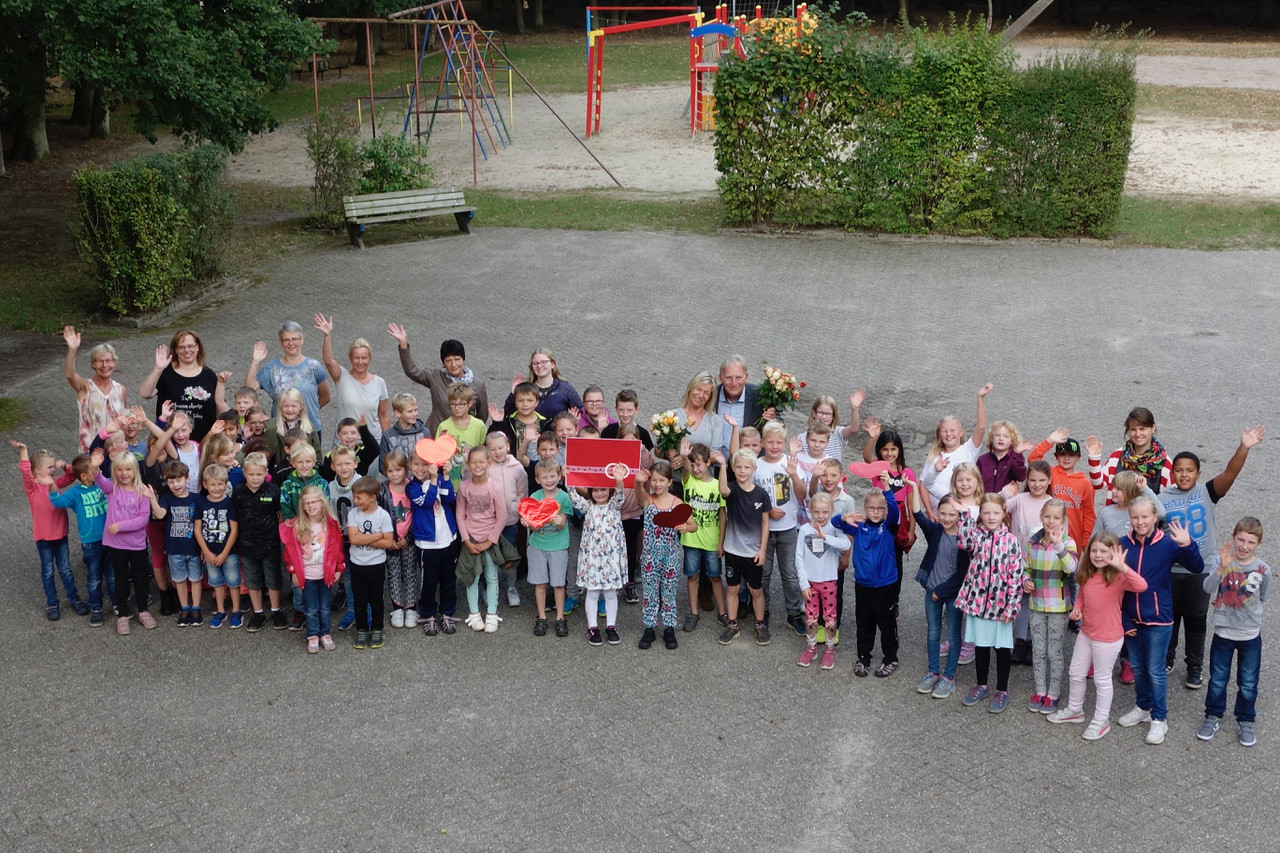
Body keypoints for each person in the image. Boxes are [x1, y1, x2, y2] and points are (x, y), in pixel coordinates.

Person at [1159, 425, 1265, 689]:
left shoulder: (1206, 493)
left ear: (1198, 473)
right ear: (1172, 473)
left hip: (1201, 569)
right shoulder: (1161, 499)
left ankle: (1194, 665)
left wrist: (1244, 447)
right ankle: (1166, 658)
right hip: (1170, 570)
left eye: (1190, 470)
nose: (1184, 474)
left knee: (1196, 618)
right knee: (1170, 617)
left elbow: (1231, 473)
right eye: (1179, 470)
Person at [1115, 496, 1203, 745]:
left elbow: (1196, 566)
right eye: (1135, 517)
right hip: (1131, 618)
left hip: (1160, 618)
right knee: (1139, 668)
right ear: (1129, 518)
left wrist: (1188, 545)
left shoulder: (1168, 543)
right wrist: (1124, 619)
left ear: (1155, 518)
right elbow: (1115, 589)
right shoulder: (1122, 545)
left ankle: (1159, 719)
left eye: (1145, 517)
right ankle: (1142, 708)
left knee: (1155, 670)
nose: (1140, 521)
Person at [1047, 532, 1148, 741]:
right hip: (1086, 633)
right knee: (1075, 673)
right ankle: (1075, 710)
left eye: (1104, 551)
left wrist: (1123, 567)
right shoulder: (1089, 573)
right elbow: (1083, 595)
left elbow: (1141, 586)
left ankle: (1101, 721)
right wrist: (1077, 609)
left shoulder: (1119, 577)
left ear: (1114, 553)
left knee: (1102, 680)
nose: (1098, 555)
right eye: (1094, 551)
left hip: (1108, 638)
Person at [1198, 518, 1269, 747]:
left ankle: (1246, 719)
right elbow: (1207, 588)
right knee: (1218, 679)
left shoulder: (1264, 569)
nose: (1244, 546)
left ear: (1259, 544)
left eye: (1251, 542)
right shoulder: (1222, 560)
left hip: (1250, 634)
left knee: (1248, 682)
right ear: (1233, 536)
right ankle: (1213, 715)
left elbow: (1263, 596)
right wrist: (1220, 569)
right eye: (1241, 539)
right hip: (1223, 633)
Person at [955, 493, 1026, 713]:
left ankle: (1002, 689)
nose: (991, 517)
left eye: (995, 512)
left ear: (1004, 513)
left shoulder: (1011, 541)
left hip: (1001, 606)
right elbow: (963, 542)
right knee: (982, 646)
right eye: (986, 512)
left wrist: (1012, 605)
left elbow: (1016, 575)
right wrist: (965, 515)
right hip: (978, 603)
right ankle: (981, 685)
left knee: (1002, 649)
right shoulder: (976, 535)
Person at [834, 479, 901, 677]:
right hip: (863, 583)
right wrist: (844, 518)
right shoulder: (858, 526)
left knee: (886, 622)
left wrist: (888, 489)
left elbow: (895, 513)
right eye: (871, 508)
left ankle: (891, 658)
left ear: (885, 510)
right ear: (865, 508)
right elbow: (833, 523)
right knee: (864, 622)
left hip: (886, 584)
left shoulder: (889, 525)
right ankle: (863, 657)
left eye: (880, 508)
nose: (875, 511)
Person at [908, 481, 968, 699]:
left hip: (951, 593)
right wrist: (914, 488)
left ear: (959, 515)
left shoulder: (965, 538)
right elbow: (917, 513)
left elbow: (962, 574)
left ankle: (949, 677)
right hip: (931, 590)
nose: (946, 518)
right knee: (933, 632)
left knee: (953, 634)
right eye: (942, 513)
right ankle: (933, 671)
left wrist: (940, 591)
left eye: (951, 514)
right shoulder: (935, 531)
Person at [748, 420, 807, 635]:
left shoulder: (791, 462)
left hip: (788, 529)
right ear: (762, 442)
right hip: (763, 529)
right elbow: (749, 495)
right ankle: (763, 612)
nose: (774, 446)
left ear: (784, 443)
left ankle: (793, 613)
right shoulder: (756, 464)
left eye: (779, 442)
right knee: (763, 573)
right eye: (770, 441)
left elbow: (801, 496)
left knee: (790, 573)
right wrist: (768, 510)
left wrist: (792, 474)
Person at [13, 441, 82, 620]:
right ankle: (52, 602)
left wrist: (65, 465)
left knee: (66, 569)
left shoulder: (55, 483)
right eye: (50, 467)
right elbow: (25, 473)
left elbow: (72, 475)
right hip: (43, 538)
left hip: (61, 534)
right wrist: (24, 451)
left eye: (53, 466)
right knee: (48, 571)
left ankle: (74, 598)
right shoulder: (32, 488)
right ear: (37, 471)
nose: (53, 470)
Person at [1022, 499, 1079, 714]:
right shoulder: (1032, 542)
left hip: (1058, 608)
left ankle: (1053, 693)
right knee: (1038, 650)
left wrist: (1058, 546)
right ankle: (1040, 690)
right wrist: (1025, 581)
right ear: (1041, 517)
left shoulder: (1068, 543)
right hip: (1036, 605)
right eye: (1047, 517)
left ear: (1063, 520)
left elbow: (1071, 568)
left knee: (1053, 651)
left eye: (1056, 518)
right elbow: (1026, 568)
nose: (1051, 521)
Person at [92, 449, 156, 635]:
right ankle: (123, 614)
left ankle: (143, 610)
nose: (124, 474)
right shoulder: (112, 488)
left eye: (128, 469)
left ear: (135, 470)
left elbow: (143, 519)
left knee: (141, 579)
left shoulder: (142, 491)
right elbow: (98, 478)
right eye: (119, 470)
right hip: (116, 545)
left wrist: (120, 525)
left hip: (137, 545)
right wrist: (95, 466)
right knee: (120, 580)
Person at [634, 461, 697, 650]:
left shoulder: (677, 503)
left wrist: (686, 528)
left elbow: (693, 525)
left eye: (661, 480)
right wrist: (639, 482)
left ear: (670, 481)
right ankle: (650, 627)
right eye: (653, 480)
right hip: (649, 556)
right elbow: (639, 494)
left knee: (669, 591)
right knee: (650, 592)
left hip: (669, 555)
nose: (657, 484)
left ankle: (669, 626)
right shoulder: (648, 500)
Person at [456, 447, 518, 634]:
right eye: (473, 462)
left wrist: (489, 541)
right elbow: (460, 516)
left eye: (481, 461)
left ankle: (492, 614)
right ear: (468, 465)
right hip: (471, 540)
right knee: (471, 577)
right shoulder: (464, 487)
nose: (477, 466)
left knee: (491, 576)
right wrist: (466, 540)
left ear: (488, 463)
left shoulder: (495, 487)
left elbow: (502, 516)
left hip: (489, 539)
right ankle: (474, 614)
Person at [715, 448, 771, 645]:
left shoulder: (762, 494)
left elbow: (766, 523)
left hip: (753, 553)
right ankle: (732, 625)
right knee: (732, 589)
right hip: (732, 551)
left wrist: (763, 549)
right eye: (738, 467)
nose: (742, 470)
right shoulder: (731, 489)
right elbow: (722, 491)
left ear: (754, 469)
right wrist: (722, 465)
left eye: (746, 467)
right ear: (733, 468)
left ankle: (759, 624)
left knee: (756, 590)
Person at [386, 326, 488, 434]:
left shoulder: (478, 385)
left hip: (465, 439)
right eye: (448, 360)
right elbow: (412, 371)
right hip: (436, 436)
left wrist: (471, 432)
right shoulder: (436, 378)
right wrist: (403, 343)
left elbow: (482, 415)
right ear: (443, 363)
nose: (453, 364)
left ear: (464, 360)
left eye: (457, 359)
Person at [50, 453, 113, 626]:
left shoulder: (104, 483)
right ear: (84, 476)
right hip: (91, 542)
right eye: (95, 469)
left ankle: (117, 603)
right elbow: (58, 502)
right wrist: (52, 488)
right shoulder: (75, 493)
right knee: (94, 577)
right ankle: (96, 607)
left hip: (111, 538)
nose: (98, 471)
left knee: (113, 575)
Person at [280, 485, 344, 653]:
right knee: (311, 608)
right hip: (307, 575)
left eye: (314, 502)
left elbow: (338, 549)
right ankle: (313, 635)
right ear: (302, 505)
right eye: (307, 503)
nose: (311, 506)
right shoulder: (297, 526)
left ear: (322, 502)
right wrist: (293, 571)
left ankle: (325, 633)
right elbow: (290, 553)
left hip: (326, 574)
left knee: (324, 606)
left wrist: (339, 568)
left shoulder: (331, 524)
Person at [570, 464, 629, 646]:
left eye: (603, 490)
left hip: (610, 559)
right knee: (592, 593)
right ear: (590, 492)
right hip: (593, 560)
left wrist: (618, 481)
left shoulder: (613, 507)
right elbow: (573, 496)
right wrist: (568, 478)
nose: (599, 494)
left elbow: (620, 495)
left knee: (611, 593)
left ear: (609, 491)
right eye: (595, 490)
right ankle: (593, 627)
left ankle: (611, 626)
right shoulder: (587, 507)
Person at [140, 330, 230, 442]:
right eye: (181, 347)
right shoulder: (166, 373)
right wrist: (158, 369)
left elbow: (220, 407)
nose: (187, 350)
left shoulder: (209, 375)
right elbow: (145, 393)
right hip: (172, 442)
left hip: (204, 442)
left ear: (198, 347)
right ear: (176, 350)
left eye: (191, 346)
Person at [795, 493, 852, 670]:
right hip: (810, 583)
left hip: (829, 581)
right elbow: (799, 558)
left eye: (825, 512)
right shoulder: (804, 530)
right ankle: (811, 648)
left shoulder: (835, 529)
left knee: (830, 617)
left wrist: (825, 537)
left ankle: (829, 650)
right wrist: (803, 584)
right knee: (811, 618)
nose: (821, 516)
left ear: (831, 511)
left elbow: (846, 545)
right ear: (810, 511)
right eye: (817, 512)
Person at [245, 322, 330, 441]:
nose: (291, 343)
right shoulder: (271, 368)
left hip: (309, 430)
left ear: (302, 340)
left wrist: (308, 411)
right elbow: (247, 391)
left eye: (295, 339)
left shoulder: (313, 366)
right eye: (286, 340)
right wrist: (255, 362)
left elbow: (325, 397)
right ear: (280, 342)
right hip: (281, 432)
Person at [314, 314, 389, 443]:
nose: (360, 362)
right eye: (356, 358)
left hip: (372, 443)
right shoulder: (342, 376)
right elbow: (328, 360)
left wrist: (388, 443)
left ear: (369, 358)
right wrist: (327, 336)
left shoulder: (379, 383)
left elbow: (383, 415)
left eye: (364, 358)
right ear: (350, 358)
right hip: (344, 442)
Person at [232, 452, 286, 632]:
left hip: (270, 544)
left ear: (266, 473)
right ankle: (258, 612)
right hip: (248, 545)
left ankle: (276, 610)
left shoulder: (273, 490)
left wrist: (277, 534)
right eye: (251, 474)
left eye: (259, 474)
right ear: (244, 473)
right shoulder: (239, 492)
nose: (255, 478)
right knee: (253, 581)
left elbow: (280, 515)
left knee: (273, 580)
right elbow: (237, 516)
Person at [676, 442, 726, 631]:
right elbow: (687, 469)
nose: (696, 468)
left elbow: (723, 516)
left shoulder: (716, 486)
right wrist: (683, 457)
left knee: (715, 577)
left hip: (712, 541)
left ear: (707, 463)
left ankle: (722, 612)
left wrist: (721, 542)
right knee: (692, 576)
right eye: (693, 464)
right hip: (691, 540)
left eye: (699, 464)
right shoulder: (688, 480)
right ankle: (693, 612)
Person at [918, 383, 993, 510]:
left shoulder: (968, 450)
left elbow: (981, 427)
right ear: (939, 434)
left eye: (952, 430)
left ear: (961, 432)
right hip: (939, 514)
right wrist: (929, 512)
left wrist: (980, 398)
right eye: (944, 431)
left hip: (962, 510)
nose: (948, 434)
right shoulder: (934, 455)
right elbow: (923, 483)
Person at [408, 451, 459, 637]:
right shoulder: (412, 487)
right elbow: (428, 501)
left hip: (447, 539)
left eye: (425, 465)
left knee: (448, 580)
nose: (421, 469)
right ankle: (428, 614)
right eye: (416, 465)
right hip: (427, 543)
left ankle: (447, 612)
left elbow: (449, 498)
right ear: (410, 466)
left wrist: (445, 476)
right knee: (428, 582)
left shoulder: (437, 478)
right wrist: (434, 478)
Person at [147, 460, 203, 627]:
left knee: (195, 579)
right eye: (171, 481)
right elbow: (159, 515)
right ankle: (184, 608)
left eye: (179, 480)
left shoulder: (196, 499)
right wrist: (152, 499)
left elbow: (202, 525)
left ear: (187, 478)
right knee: (179, 580)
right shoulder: (166, 499)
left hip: (193, 548)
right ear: (166, 482)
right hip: (174, 549)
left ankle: (196, 608)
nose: (175, 484)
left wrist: (203, 548)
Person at [525, 458, 572, 637]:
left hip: (559, 546)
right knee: (540, 584)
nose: (549, 480)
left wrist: (559, 520)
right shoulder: (534, 498)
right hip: (538, 546)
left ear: (559, 476)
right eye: (545, 477)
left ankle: (560, 618)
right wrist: (529, 524)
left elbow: (561, 526)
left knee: (559, 584)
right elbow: (535, 528)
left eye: (553, 476)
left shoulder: (563, 497)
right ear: (538, 480)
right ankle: (542, 616)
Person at [1028, 433, 1096, 555]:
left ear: (1078, 458)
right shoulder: (1051, 472)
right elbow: (1033, 460)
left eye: (1071, 455)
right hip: (1046, 533)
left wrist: (1086, 541)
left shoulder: (1085, 482)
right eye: (1062, 454)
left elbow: (1089, 514)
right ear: (1056, 457)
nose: (1066, 458)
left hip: (1073, 536)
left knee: (1068, 569)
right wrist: (1049, 441)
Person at [1085, 406, 1172, 501]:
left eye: (1142, 429)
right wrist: (1094, 459)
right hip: (1117, 514)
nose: (1138, 434)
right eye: (1133, 429)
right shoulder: (1117, 456)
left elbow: (1169, 500)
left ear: (1153, 428)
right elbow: (1098, 484)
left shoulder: (1164, 463)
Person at [347, 476, 394, 650]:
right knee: (359, 600)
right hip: (357, 564)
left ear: (373, 497)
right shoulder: (353, 514)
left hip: (376, 565)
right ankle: (361, 629)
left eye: (359, 497)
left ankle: (377, 628)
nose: (355, 501)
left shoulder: (383, 515)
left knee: (376, 599)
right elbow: (353, 539)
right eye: (354, 496)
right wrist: (377, 535)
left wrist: (362, 538)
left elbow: (388, 543)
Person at [63, 326, 127, 453]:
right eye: (100, 361)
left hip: (115, 453)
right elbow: (70, 375)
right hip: (90, 453)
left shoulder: (121, 390)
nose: (105, 366)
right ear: (93, 364)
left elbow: (123, 422)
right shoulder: (85, 386)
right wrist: (72, 349)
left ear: (114, 363)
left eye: (109, 361)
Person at [194, 464, 241, 628]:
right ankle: (221, 611)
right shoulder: (201, 503)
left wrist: (224, 553)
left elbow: (234, 530)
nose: (216, 488)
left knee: (234, 582)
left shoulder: (229, 503)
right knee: (216, 582)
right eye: (212, 484)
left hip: (229, 552)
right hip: (210, 552)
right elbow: (197, 530)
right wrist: (206, 551)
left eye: (220, 484)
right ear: (205, 485)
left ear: (226, 484)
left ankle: (236, 611)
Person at [486, 431, 527, 607]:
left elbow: (522, 492)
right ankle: (488, 587)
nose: (497, 452)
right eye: (492, 449)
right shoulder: (485, 467)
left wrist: (517, 510)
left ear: (508, 447)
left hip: (510, 520)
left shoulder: (517, 468)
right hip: (489, 522)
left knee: (509, 554)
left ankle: (511, 586)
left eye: (501, 447)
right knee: (488, 555)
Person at [378, 451, 417, 629]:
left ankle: (411, 607)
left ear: (406, 470)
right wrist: (388, 539)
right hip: (391, 542)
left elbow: (418, 516)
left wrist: (408, 538)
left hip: (409, 540)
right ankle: (397, 607)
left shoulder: (413, 487)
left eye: (398, 470)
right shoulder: (382, 491)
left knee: (410, 573)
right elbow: (379, 516)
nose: (395, 474)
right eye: (390, 471)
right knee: (393, 573)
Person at [711, 355, 773, 454]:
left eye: (739, 377)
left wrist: (772, 418)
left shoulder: (759, 395)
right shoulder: (711, 395)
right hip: (715, 464)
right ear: (720, 378)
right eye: (729, 378)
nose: (734, 383)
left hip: (747, 465)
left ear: (746, 377)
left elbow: (778, 424)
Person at [502, 348, 581, 421]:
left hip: (556, 434)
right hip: (530, 433)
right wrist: (513, 394)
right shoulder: (527, 388)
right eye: (535, 363)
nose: (539, 366)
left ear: (552, 364)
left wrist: (572, 420)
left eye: (543, 362)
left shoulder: (565, 388)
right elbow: (506, 414)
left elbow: (582, 412)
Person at [263, 387, 322, 467]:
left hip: (304, 470)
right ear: (280, 406)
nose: (290, 409)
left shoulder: (309, 428)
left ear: (301, 406)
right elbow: (266, 454)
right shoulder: (271, 427)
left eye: (294, 406)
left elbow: (317, 455)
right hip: (280, 472)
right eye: (286, 406)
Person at [1092, 471, 1164, 536]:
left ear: (1130, 491)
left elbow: (1161, 513)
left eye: (1118, 489)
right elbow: (1095, 537)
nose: (1113, 491)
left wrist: (1144, 488)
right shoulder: (1106, 512)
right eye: (1113, 487)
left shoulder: (1142, 511)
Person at [797, 391, 864, 461]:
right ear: (814, 413)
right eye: (820, 412)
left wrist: (854, 408)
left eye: (828, 414)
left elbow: (854, 429)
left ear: (833, 416)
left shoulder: (837, 433)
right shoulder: (802, 438)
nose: (823, 416)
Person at [976, 420, 1030, 497]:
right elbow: (976, 482)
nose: (1001, 438)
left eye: (1006, 436)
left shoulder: (1014, 459)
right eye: (997, 435)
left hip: (1007, 502)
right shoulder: (982, 460)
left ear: (1012, 440)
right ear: (992, 438)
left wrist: (1018, 454)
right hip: (986, 502)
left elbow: (1021, 476)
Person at [378, 392, 428, 474]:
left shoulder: (424, 432)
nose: (414, 414)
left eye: (416, 410)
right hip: (398, 482)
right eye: (410, 411)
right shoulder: (388, 436)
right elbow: (382, 466)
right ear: (398, 413)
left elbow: (430, 459)